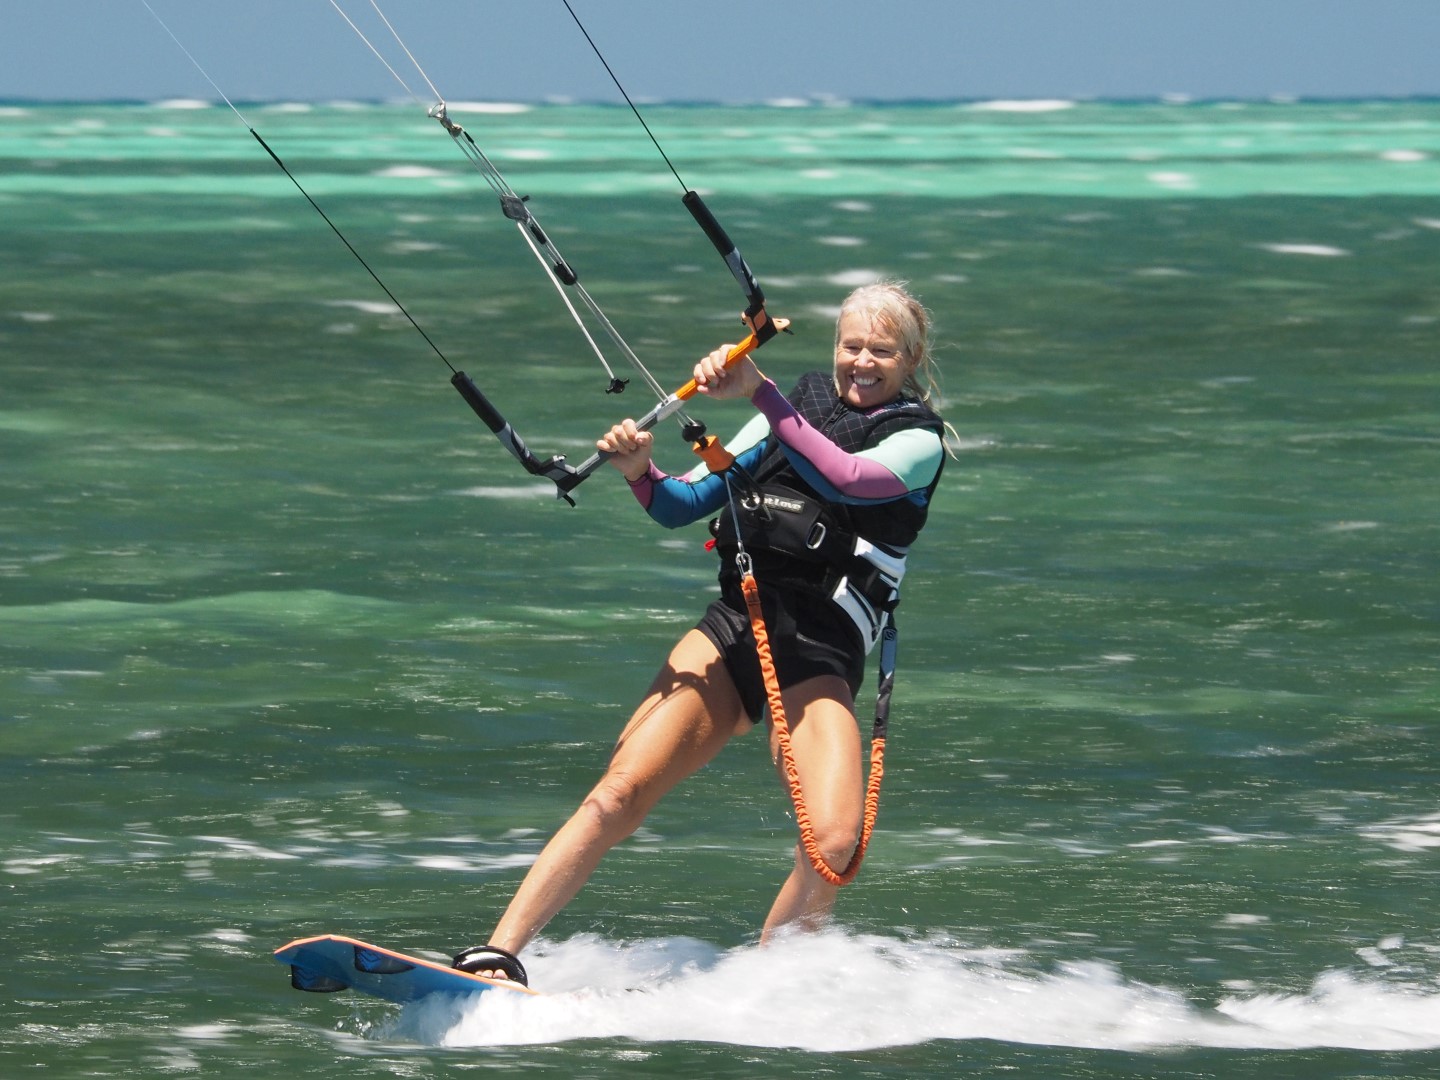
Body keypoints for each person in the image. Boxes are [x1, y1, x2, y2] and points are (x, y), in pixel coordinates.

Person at [452, 281, 949, 985]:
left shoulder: (918, 441)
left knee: (835, 842)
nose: (862, 362)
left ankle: (771, 987)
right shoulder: (795, 408)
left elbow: (846, 480)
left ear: (911, 359)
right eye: (851, 346)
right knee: (618, 793)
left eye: (882, 351)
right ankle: (496, 957)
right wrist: (639, 471)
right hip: (735, 629)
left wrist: (759, 393)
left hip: (817, 656)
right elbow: (680, 503)